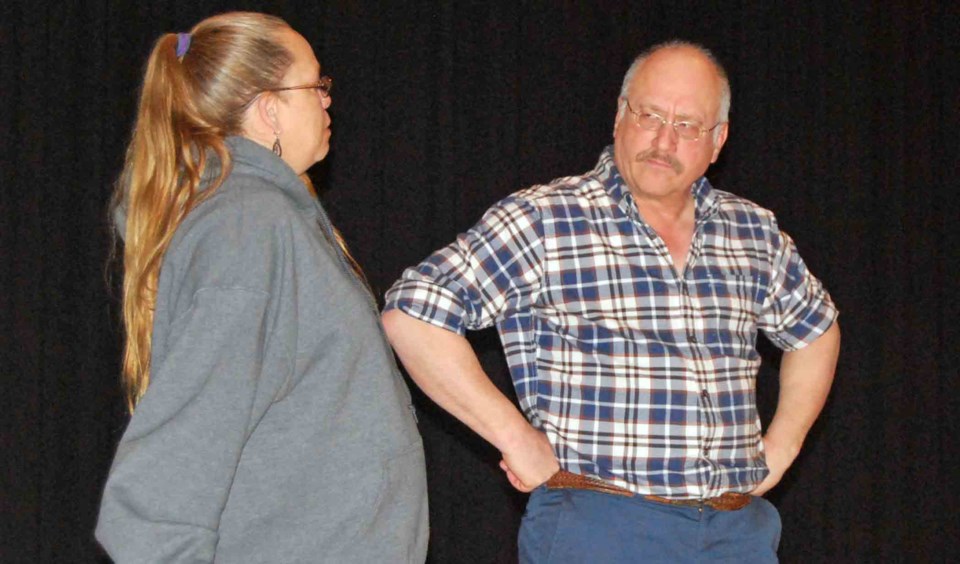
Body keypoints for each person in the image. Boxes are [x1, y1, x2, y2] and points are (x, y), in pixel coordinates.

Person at [382, 40, 840, 563]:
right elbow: (412, 312)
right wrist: (512, 435)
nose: (663, 139)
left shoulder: (751, 230)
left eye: (687, 125)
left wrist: (785, 443)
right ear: (620, 116)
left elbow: (817, 329)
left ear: (719, 141)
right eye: (649, 114)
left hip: (738, 532)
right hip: (601, 526)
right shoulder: (547, 219)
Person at [96, 12, 427, 562]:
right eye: (315, 85)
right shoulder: (248, 230)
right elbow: (164, 487)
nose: (328, 100)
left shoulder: (268, 221)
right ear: (269, 108)